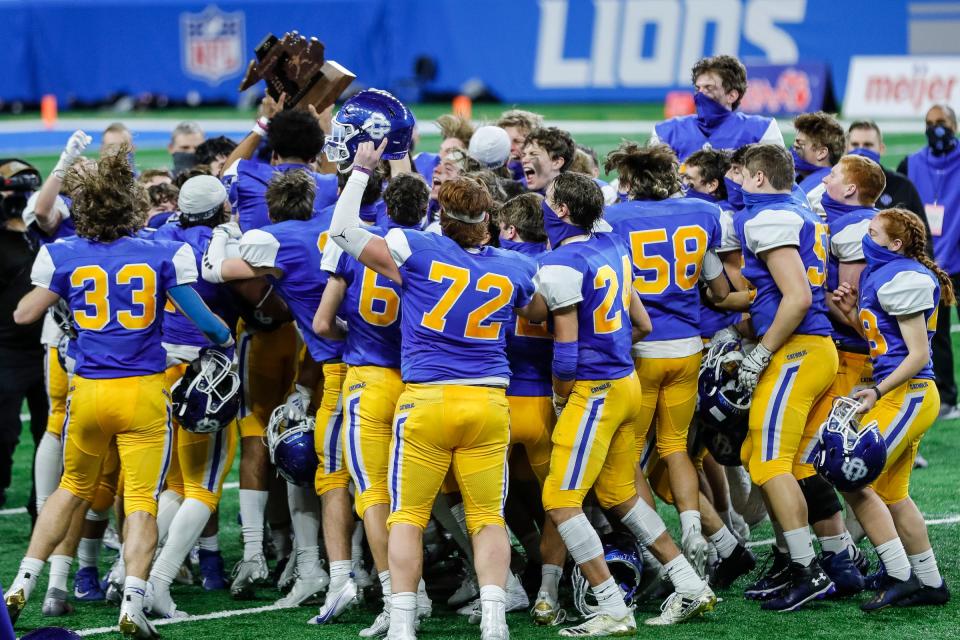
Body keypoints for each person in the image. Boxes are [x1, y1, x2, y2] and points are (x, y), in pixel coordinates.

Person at [5, 149, 232, 638]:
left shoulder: (64, 254)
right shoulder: (162, 252)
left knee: (70, 490)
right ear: (130, 206)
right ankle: (132, 600)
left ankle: (23, 581)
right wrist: (225, 339)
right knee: (143, 502)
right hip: (143, 395)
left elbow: (25, 314)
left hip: (88, 395)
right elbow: (208, 324)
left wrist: (68, 298)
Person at [329, 134, 538, 640]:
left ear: (443, 216)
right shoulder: (516, 268)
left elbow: (342, 231)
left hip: (426, 400)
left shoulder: (414, 247)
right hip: (488, 402)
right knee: (488, 516)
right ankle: (494, 620)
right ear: (488, 218)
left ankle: (402, 623)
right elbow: (536, 314)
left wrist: (361, 169)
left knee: (407, 515)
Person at [534, 171, 717, 634]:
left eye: (549, 197)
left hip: (595, 388)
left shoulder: (562, 264)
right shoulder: (612, 246)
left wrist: (561, 396)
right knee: (618, 494)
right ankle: (690, 585)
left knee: (559, 499)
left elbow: (566, 349)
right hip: (624, 382)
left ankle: (612, 606)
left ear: (562, 211)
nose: (542, 201)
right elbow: (641, 322)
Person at [204, 169, 357, 623]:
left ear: (271, 208)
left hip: (341, 366)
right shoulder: (338, 221)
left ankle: (328, 571)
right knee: (380, 476)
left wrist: (222, 233)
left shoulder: (273, 239)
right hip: (379, 361)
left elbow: (216, 270)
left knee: (312, 465)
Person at [716, 144, 838, 611]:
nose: (738, 183)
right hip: (802, 346)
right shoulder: (794, 207)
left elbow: (798, 297)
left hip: (799, 348)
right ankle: (795, 560)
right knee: (756, 452)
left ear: (760, 177)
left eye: (743, 176)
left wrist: (760, 352)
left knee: (769, 462)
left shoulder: (770, 218)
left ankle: (808, 569)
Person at [603, 142, 731, 577]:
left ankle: (663, 549)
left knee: (627, 453)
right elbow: (717, 287)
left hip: (639, 348)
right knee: (675, 446)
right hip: (688, 346)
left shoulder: (614, 219)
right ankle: (695, 529)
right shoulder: (705, 213)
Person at [313, 172, 430, 637]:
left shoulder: (356, 249)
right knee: (421, 499)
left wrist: (354, 333)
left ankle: (397, 598)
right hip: (418, 380)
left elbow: (323, 324)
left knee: (375, 497)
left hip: (367, 382)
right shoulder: (434, 250)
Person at [831, 208, 953, 608]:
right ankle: (930, 583)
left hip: (911, 393)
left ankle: (898, 572)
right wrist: (850, 316)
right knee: (892, 493)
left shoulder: (904, 277)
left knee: (851, 475)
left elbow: (918, 354)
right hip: (904, 394)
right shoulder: (882, 273)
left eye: (872, 232)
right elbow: (886, 343)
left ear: (895, 244)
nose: (865, 237)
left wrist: (876, 391)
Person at [145, 175, 240, 618]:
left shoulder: (162, 231)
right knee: (204, 485)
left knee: (176, 485)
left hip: (161, 364)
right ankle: (158, 580)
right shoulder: (223, 241)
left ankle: (130, 572)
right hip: (204, 366)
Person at [897, 105, 960, 420]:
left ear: (955, 126)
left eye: (942, 123)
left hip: (957, 258)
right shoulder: (911, 164)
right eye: (930, 123)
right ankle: (946, 397)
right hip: (930, 263)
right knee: (940, 335)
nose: (936, 128)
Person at [0, 174, 47, 511]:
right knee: (3, 433)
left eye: (26, 192)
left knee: (50, 435)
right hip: (6, 350)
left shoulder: (47, 233)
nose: (18, 198)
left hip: (49, 348)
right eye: (12, 192)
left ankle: (41, 502)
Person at [651, 55, 784, 161]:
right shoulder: (667, 132)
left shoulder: (762, 130)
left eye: (709, 88)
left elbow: (778, 185)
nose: (701, 94)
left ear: (731, 95)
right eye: (698, 88)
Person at [792, 111, 845, 216]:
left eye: (799, 144)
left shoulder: (827, 189)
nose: (793, 149)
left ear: (821, 153)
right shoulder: (797, 177)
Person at [521, 127, 575, 195]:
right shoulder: (514, 190)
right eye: (524, 155)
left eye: (533, 154)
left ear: (556, 163)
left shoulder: (575, 199)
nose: (524, 160)